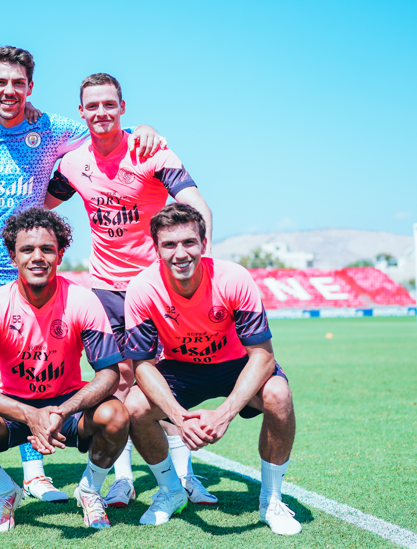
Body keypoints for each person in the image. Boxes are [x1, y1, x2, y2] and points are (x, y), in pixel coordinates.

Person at [0, 46, 164, 508]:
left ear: (30, 87)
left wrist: (139, 131)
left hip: (32, 275)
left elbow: (102, 129)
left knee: (34, 371)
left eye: (19, 83)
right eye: (1, 83)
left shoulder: (52, 129)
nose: (10, 91)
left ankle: (34, 473)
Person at [45, 73, 216, 508]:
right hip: (104, 287)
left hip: (154, 288)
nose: (101, 113)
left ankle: (184, 478)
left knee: (163, 383)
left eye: (109, 104)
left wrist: (198, 261)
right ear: (81, 112)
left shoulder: (151, 149)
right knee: (118, 381)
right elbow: (40, 201)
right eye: (92, 106)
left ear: (122, 107)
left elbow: (195, 202)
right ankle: (124, 479)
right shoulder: (72, 163)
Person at [0, 208, 128, 532]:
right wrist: (30, 415)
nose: (37, 257)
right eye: (27, 249)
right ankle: (5, 490)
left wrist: (62, 410)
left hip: (66, 406)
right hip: (14, 407)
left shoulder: (82, 301)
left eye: (47, 249)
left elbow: (109, 374)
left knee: (117, 415)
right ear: (13, 257)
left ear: (60, 254)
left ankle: (89, 490)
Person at [122, 204, 300, 534]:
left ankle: (271, 500)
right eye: (169, 245)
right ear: (156, 248)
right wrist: (178, 416)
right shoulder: (142, 288)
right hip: (181, 368)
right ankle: (171, 491)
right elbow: (143, 365)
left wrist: (224, 414)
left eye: (189, 242)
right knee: (133, 406)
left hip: (236, 365)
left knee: (278, 394)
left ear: (204, 244)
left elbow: (262, 356)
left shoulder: (233, 278)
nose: (180, 253)